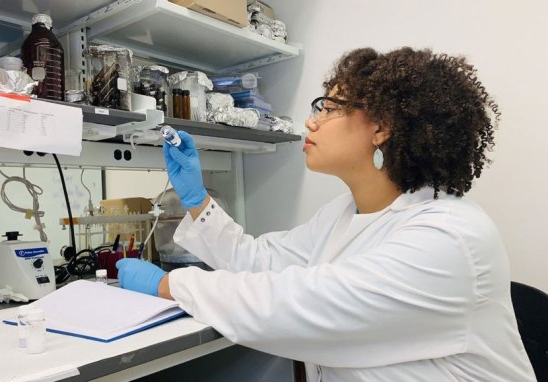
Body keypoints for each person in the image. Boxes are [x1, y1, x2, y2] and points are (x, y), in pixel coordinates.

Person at [116, 47, 537, 381]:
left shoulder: (449, 237)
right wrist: (195, 199)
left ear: (382, 126)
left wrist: (172, 283)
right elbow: (261, 262)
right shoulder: (344, 213)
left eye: (329, 107)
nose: (310, 122)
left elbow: (294, 304)